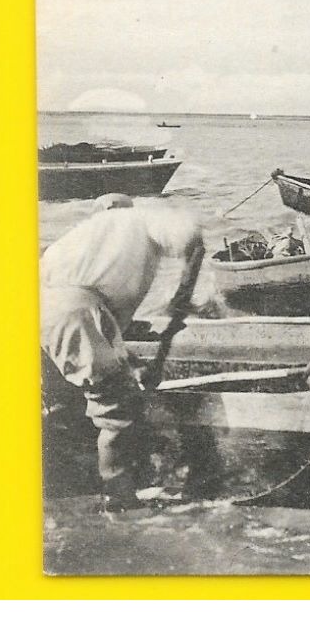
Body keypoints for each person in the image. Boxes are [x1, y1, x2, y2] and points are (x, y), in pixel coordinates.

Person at [39, 195, 205, 512]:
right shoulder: (141, 218)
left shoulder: (79, 238)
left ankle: (62, 481)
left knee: (57, 403)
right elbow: (195, 240)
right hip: (74, 313)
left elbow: (95, 321)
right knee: (116, 411)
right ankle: (119, 500)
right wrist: (181, 302)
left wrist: (131, 362)